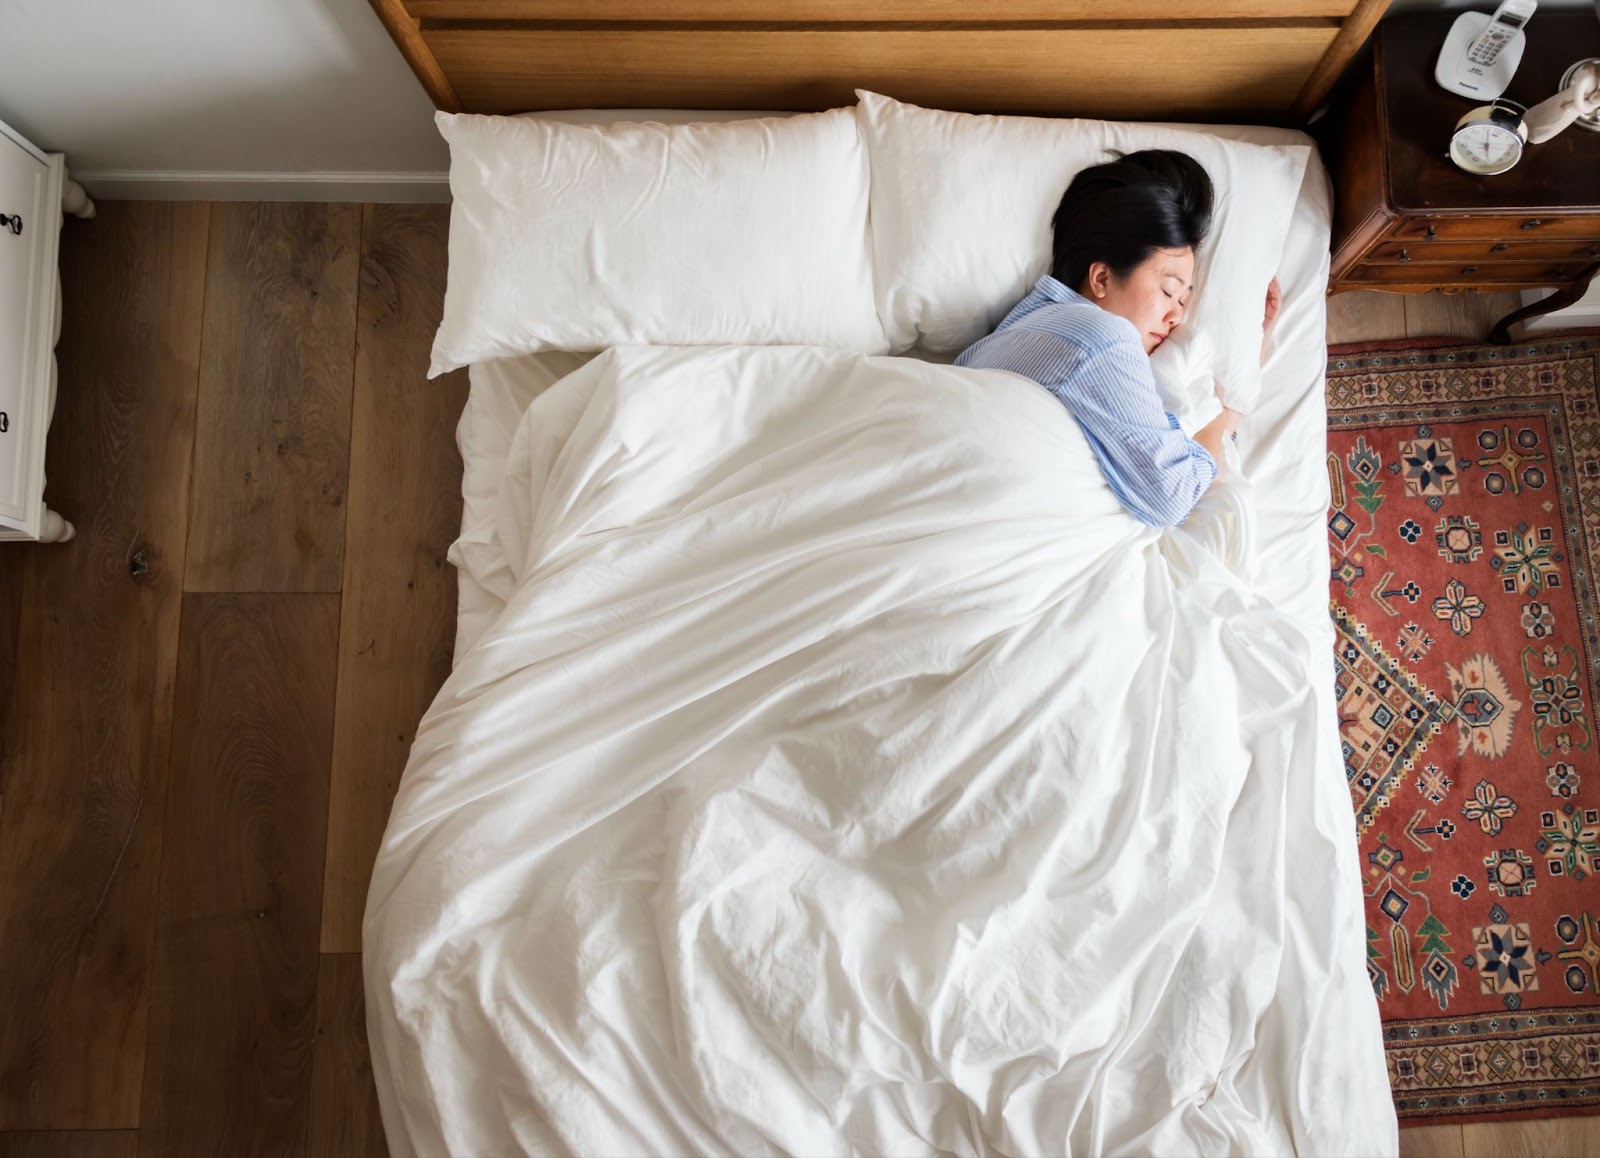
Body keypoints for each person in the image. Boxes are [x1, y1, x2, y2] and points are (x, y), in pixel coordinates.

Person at [956, 150, 1280, 528]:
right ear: (1102, 279)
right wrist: (1224, 417)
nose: (1176, 316)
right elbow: (1172, 498)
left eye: (1183, 300)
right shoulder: (1103, 340)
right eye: (1168, 290)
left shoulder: (1003, 334)